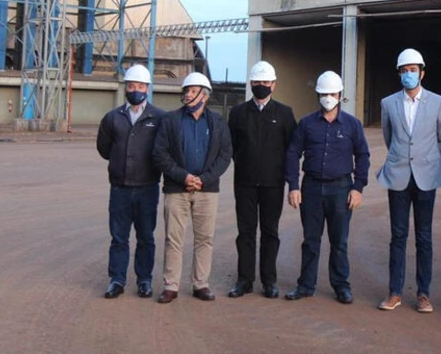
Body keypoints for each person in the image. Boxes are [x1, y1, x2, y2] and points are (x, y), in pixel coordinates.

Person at [284, 71, 370, 304]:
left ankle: (341, 286)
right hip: (311, 187)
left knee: (339, 241)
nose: (328, 97)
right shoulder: (307, 124)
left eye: (332, 93)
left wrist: (358, 187)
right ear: (318, 95)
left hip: (341, 189)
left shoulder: (352, 125)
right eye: (323, 94)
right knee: (310, 240)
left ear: (340, 95)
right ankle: (305, 285)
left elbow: (362, 156)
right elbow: (293, 153)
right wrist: (293, 185)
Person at [376, 49, 441, 313]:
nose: (408, 74)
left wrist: (425, 159)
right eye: (404, 71)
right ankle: (395, 292)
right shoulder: (388, 103)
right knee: (398, 235)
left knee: (424, 236)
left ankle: (423, 294)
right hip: (398, 176)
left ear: (422, 72)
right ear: (399, 73)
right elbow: (389, 137)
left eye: (413, 70)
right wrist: (403, 158)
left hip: (425, 176)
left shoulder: (438, 102)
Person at [153, 72, 232, 304]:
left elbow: (225, 155)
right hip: (176, 189)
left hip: (207, 191)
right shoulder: (170, 120)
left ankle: (201, 284)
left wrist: (205, 179)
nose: (188, 94)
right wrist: (183, 176)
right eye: (186, 91)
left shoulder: (217, 122)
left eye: (193, 90)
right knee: (173, 239)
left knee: (204, 238)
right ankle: (171, 285)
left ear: (204, 96)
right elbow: (160, 153)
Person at [227, 61, 297, 299]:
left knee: (270, 232)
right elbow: (232, 147)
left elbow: (292, 149)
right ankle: (244, 280)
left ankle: (269, 281)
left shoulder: (285, 114)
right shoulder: (237, 114)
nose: (261, 86)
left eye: (265, 82)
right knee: (245, 232)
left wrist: (289, 180)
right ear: (251, 84)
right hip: (245, 183)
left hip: (273, 184)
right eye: (257, 82)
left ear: (273, 85)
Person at [96, 64, 165, 299]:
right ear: (126, 88)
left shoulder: (158, 117)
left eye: (140, 86)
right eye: (131, 86)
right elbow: (104, 149)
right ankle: (116, 280)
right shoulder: (113, 118)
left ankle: (144, 280)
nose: (136, 89)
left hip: (147, 188)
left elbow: (164, 149)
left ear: (147, 88)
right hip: (120, 188)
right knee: (119, 237)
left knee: (146, 236)